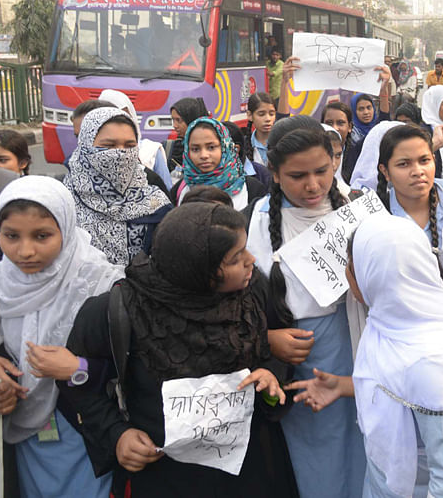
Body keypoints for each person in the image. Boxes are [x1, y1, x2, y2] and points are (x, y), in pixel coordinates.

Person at [60, 202, 297, 497]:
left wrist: (270, 380)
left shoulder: (252, 291)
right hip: (163, 475)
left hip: (249, 474)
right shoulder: (119, 310)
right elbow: (76, 379)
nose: (251, 260)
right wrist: (117, 435)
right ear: (198, 269)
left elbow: (273, 359)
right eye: (236, 257)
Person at [287, 213, 443, 496]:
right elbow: (399, 384)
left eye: (351, 266)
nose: (347, 274)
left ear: (373, 274)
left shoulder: (434, 360)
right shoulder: (392, 321)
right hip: (390, 480)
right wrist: (342, 386)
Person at [244, 117, 366, 497]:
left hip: (362, 347)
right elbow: (241, 302)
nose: (313, 185)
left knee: (368, 444)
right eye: (298, 175)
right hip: (302, 356)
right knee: (318, 457)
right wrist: (268, 338)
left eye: (321, 171)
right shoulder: (260, 220)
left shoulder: (357, 210)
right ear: (275, 174)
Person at [0, 176, 124, 498]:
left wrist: (78, 368)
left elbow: (129, 364)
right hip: (24, 434)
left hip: (87, 433)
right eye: (11, 236)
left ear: (66, 226)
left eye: (42, 236)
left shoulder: (100, 283)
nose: (25, 251)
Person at [64, 107, 172, 265]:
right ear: (86, 146)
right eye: (109, 145)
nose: (120, 154)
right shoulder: (63, 200)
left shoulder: (156, 204)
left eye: (129, 146)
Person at [376, 124, 443, 280]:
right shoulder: (376, 215)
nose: (418, 171)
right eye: (403, 164)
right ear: (385, 171)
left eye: (424, 160)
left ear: (434, 160)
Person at [169, 117, 266, 210]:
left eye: (211, 147)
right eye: (195, 149)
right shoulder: (179, 190)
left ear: (225, 148)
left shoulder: (252, 189)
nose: (204, 155)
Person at [97, 89, 172, 188]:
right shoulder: (90, 155)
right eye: (113, 118)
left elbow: (166, 192)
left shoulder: (150, 151)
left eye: (126, 117)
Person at [167, 97, 208, 172]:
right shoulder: (174, 149)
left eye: (179, 120)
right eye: (173, 120)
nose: (175, 125)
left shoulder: (212, 148)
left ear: (192, 120)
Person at [246, 92, 278, 167]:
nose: (268, 119)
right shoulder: (245, 145)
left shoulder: (281, 143)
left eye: (271, 114)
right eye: (261, 114)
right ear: (250, 115)